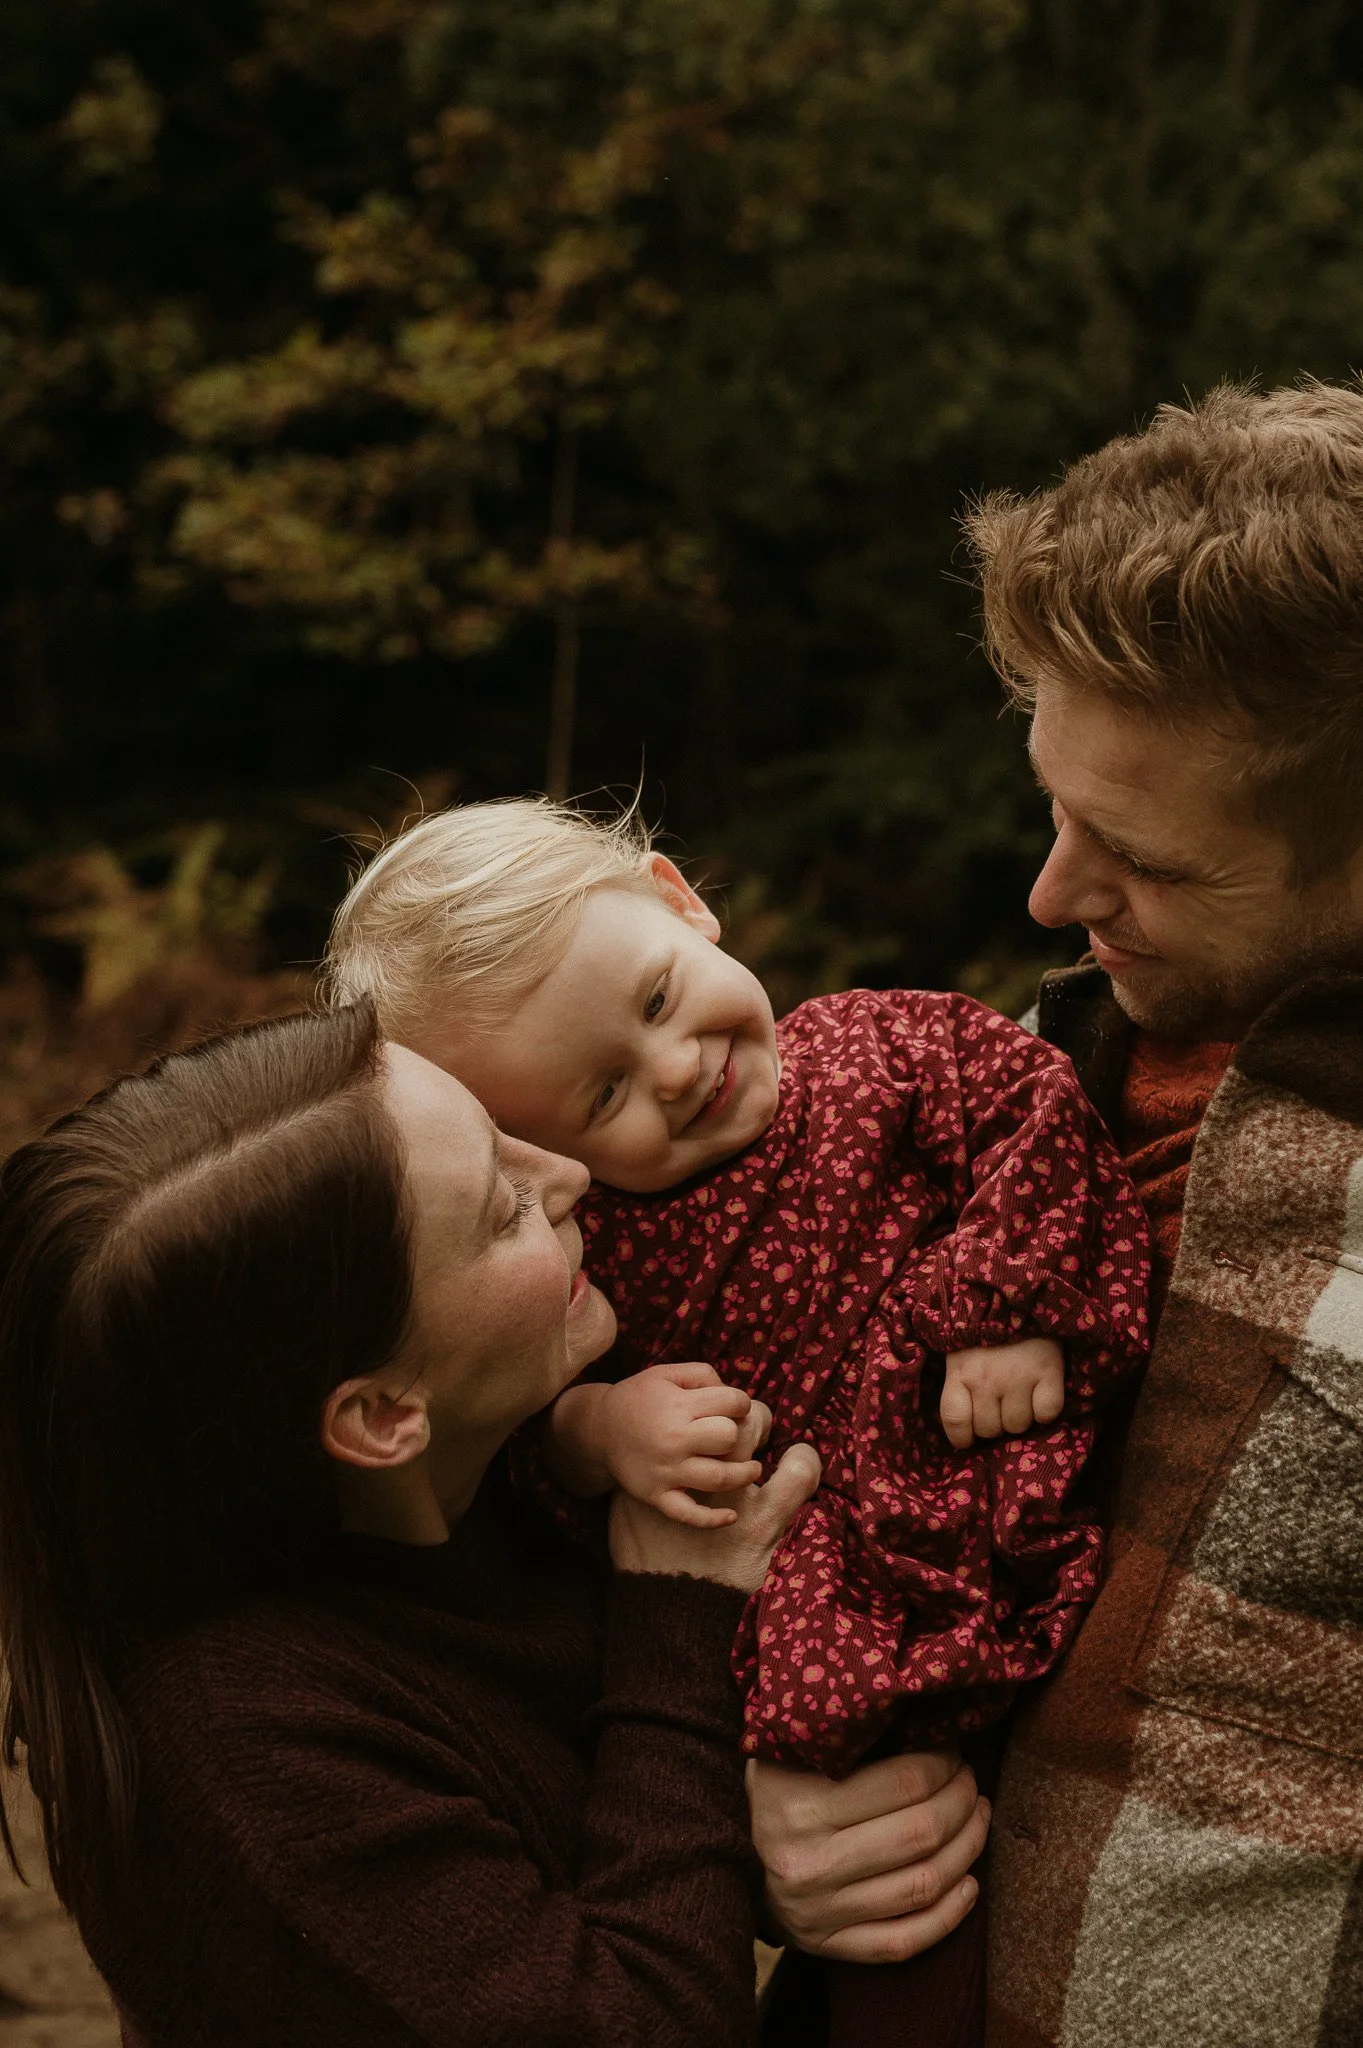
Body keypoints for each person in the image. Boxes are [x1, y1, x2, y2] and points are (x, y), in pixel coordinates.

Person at [744, 380, 1363, 2048]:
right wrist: (768, 1804)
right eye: (1050, 806)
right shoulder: (1014, 1084)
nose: (1049, 895)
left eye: (1138, 858)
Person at [325, 801, 1150, 2043]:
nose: (675, 1069)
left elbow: (1034, 1118)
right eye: (602, 1093)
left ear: (677, 900)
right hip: (843, 1615)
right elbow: (532, 1435)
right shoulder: (591, 1249)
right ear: (530, 1149)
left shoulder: (880, 1046)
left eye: (656, 999)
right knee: (900, 1906)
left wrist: (1006, 1300)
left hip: (1002, 1468)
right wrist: (601, 1432)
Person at [0, 1000, 823, 2047]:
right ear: (384, 1415)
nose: (565, 1173)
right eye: (502, 1208)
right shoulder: (252, 1769)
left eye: (500, 1129)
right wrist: (679, 1611)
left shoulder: (499, 1442)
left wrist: (770, 1842)